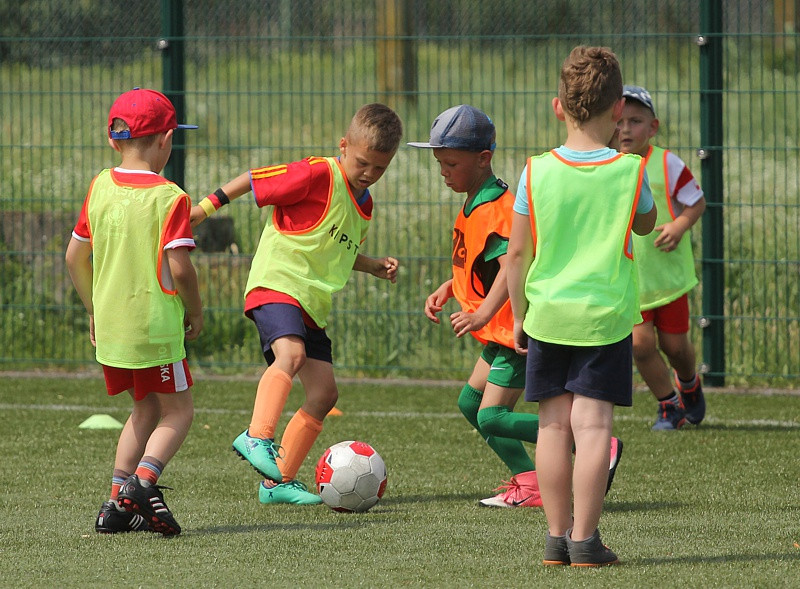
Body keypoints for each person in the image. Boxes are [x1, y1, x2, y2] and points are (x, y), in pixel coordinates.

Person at [411, 105, 623, 508]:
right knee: (470, 404)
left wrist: (483, 313)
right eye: (439, 162)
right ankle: (530, 481)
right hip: (498, 330)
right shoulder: (474, 200)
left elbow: (512, 263)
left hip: (515, 331)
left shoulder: (500, 207)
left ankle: (595, 442)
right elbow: (481, 265)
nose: (443, 171)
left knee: (491, 416)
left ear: (483, 159)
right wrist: (449, 289)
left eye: (451, 163)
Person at [191, 103, 402, 505]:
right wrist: (203, 209)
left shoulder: (365, 204)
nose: (369, 174)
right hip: (277, 285)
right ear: (343, 145)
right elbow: (253, 180)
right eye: (362, 163)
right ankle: (257, 435)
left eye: (380, 168)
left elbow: (332, 249)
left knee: (324, 394)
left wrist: (372, 265)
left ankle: (278, 484)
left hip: (311, 303)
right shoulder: (317, 173)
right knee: (292, 354)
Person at [507, 46, 657, 566]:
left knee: (552, 426)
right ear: (619, 111)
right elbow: (645, 223)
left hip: (546, 315)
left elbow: (517, 254)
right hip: (604, 318)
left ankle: (554, 537)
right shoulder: (630, 171)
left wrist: (518, 316)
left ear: (557, 107)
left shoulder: (534, 172)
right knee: (592, 429)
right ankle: (586, 540)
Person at [65, 88, 203, 536]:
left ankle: (114, 506)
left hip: (113, 332)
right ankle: (143, 483)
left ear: (113, 141)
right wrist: (195, 310)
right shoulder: (170, 197)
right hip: (155, 331)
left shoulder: (99, 186)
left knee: (143, 412)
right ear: (166, 140)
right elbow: (180, 268)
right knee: (178, 413)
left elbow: (73, 257)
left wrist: (93, 310)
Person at [618, 85, 707, 431]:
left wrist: (680, 224)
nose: (626, 129)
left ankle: (688, 383)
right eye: (620, 121)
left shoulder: (667, 162)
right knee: (640, 346)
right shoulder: (607, 164)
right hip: (631, 279)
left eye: (636, 121)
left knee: (676, 347)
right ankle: (669, 405)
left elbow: (696, 201)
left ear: (652, 127)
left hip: (668, 279)